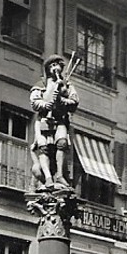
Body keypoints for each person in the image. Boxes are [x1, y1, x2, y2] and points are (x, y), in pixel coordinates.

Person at [30, 53, 80, 186]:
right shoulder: (41, 83)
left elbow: (74, 102)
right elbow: (34, 101)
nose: (54, 68)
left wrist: (61, 100)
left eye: (56, 64)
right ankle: (47, 177)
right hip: (44, 120)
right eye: (51, 65)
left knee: (62, 143)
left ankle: (59, 175)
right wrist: (45, 104)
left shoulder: (66, 84)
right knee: (43, 147)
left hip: (60, 120)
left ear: (61, 67)